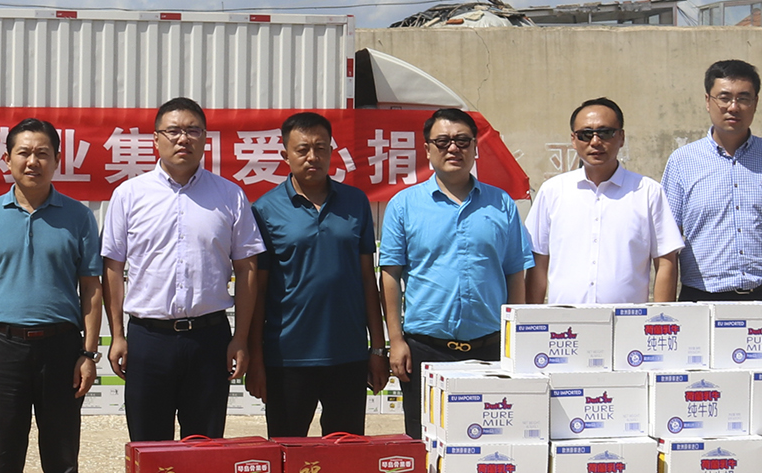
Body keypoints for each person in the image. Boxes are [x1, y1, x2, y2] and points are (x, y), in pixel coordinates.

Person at [102, 98, 264, 443]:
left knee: (204, 450)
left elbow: (247, 268)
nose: (183, 139)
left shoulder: (230, 196)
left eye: (193, 130)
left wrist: (240, 338)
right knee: (149, 449)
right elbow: (113, 267)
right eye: (173, 131)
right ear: (155, 139)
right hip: (148, 340)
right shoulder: (129, 195)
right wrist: (117, 334)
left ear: (205, 138)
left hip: (209, 340)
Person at [0, 119, 103, 473]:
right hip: (3, 346)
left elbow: (91, 288)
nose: (32, 161)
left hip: (61, 349)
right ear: (7, 159)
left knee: (62, 462)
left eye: (42, 153)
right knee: (4, 461)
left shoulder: (78, 216)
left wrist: (88, 354)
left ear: (56, 160)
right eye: (23, 152)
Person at [379, 108, 532, 442]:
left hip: (490, 350)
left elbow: (515, 273)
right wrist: (396, 340)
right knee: (425, 444)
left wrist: (515, 340)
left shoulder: (501, 204)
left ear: (475, 147)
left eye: (463, 141)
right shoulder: (404, 205)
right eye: (443, 141)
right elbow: (390, 275)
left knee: (490, 442)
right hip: (425, 351)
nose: (453, 148)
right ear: (427, 149)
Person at [245, 111, 386, 436]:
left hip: (347, 354)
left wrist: (378, 348)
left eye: (321, 148)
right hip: (287, 358)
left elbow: (368, 280)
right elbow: (259, 291)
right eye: (303, 149)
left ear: (331, 152)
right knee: (288, 452)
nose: (313, 157)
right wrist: (256, 358)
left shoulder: (355, 202)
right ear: (285, 155)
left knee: (344, 453)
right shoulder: (265, 210)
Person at [663, 59, 762, 302]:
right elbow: (668, 242)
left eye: (743, 98)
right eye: (724, 98)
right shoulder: (682, 162)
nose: (733, 107)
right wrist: (668, 311)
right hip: (702, 298)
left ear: (755, 103)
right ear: (707, 101)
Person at [526, 97, 684, 305]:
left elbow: (665, 261)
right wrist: (533, 317)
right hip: (564, 321)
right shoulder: (553, 191)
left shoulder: (648, 192)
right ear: (573, 139)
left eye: (605, 133)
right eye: (585, 134)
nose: (595, 142)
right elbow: (538, 262)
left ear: (621, 137)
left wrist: (659, 317)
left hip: (628, 320)